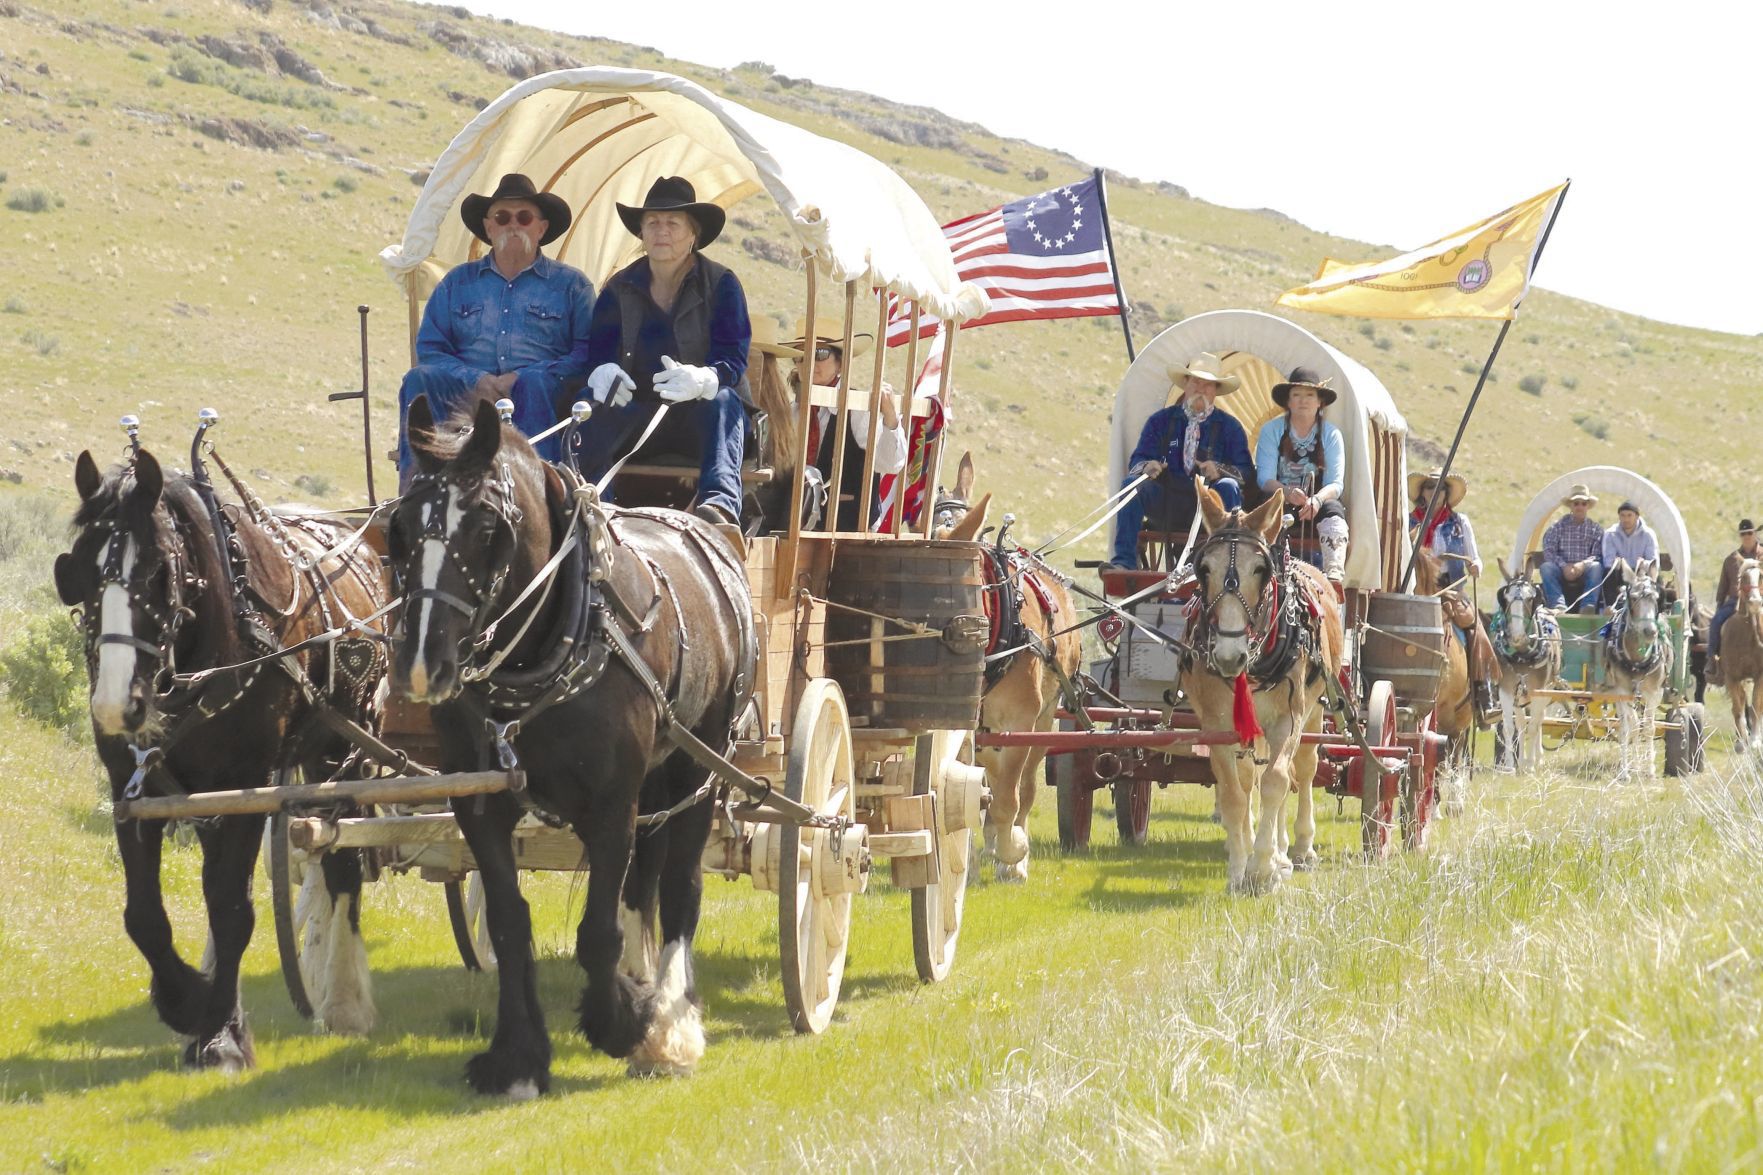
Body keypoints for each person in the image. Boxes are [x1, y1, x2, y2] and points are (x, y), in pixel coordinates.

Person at [569, 176, 752, 528]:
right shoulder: (619, 288)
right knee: (588, 404)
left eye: (673, 222)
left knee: (724, 400)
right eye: (652, 222)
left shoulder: (721, 284)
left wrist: (704, 378)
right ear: (641, 232)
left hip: (698, 419)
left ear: (693, 233)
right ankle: (594, 505)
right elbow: (598, 354)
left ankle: (720, 508)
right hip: (637, 412)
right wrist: (602, 372)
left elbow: (733, 358)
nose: (661, 231)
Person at [396, 173, 594, 481]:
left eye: (524, 217)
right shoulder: (457, 283)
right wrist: (476, 379)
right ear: (489, 228)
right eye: (502, 217)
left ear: (541, 229)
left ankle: (539, 483)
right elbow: (431, 349)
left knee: (533, 384)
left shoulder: (572, 285)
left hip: (542, 390)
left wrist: (524, 376)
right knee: (419, 378)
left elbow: (586, 351)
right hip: (466, 391)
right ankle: (416, 484)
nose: (513, 225)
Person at [1104, 352, 1253, 573]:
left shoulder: (1230, 427)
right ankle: (1124, 562)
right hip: (1166, 504)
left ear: (1216, 390)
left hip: (1209, 509)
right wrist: (1148, 467)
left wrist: (1220, 470)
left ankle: (1230, 564)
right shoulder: (1160, 421)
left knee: (1228, 486)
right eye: (1196, 382)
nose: (1201, 389)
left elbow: (1246, 473)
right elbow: (1137, 460)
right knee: (1132, 485)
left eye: (1208, 384)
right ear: (1186, 384)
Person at [786, 316, 906, 531]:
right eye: (801, 356)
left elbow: (890, 464)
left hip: (848, 531)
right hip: (795, 524)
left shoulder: (857, 409)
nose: (809, 362)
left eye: (819, 354)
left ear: (840, 363)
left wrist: (890, 418)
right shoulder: (792, 412)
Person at [1254, 366, 1348, 581]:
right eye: (1296, 395)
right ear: (1288, 401)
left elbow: (1335, 483)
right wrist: (1286, 492)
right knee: (1266, 507)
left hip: (1318, 501)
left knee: (1334, 510)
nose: (1303, 401)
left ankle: (1333, 575)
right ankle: (1264, 570)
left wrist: (1317, 500)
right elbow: (1264, 479)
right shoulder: (1271, 430)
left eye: (1309, 395)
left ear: (1319, 402)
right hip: (1281, 497)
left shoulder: (1331, 434)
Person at [1408, 470, 1482, 589]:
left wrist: (1476, 566)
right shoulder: (1408, 522)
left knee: (1460, 603)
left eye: (1441, 487)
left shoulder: (1460, 522)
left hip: (1450, 587)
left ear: (1446, 493)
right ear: (1422, 492)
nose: (1435, 491)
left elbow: (1474, 559)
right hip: (1414, 587)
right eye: (1430, 487)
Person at [1707, 518, 1759, 686]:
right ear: (1740, 536)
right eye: (1743, 534)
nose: (1747, 536)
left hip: (1760, 600)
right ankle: (1713, 661)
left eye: (1749, 533)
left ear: (1755, 534)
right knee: (1715, 623)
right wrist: (1719, 606)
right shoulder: (1731, 560)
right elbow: (1723, 587)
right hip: (1736, 601)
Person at [1540, 484, 1606, 613]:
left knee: (1596, 567)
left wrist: (1582, 565)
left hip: (1585, 569)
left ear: (1588, 506)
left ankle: (1588, 606)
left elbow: (1598, 554)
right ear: (1571, 506)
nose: (1579, 507)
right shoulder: (1558, 527)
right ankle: (1558, 605)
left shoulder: (1595, 529)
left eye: (1583, 503)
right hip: (1561, 569)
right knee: (1546, 567)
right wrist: (1564, 566)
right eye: (1576, 503)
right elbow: (1549, 550)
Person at [1601, 500, 1659, 606]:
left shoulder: (1648, 534)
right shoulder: (1611, 534)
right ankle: (1611, 607)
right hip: (1620, 573)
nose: (1626, 519)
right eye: (1622, 515)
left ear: (1637, 516)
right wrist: (1618, 563)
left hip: (1641, 572)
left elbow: (1653, 561)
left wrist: (1643, 563)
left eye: (1629, 515)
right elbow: (1608, 561)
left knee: (1657, 580)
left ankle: (1655, 609)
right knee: (1608, 573)